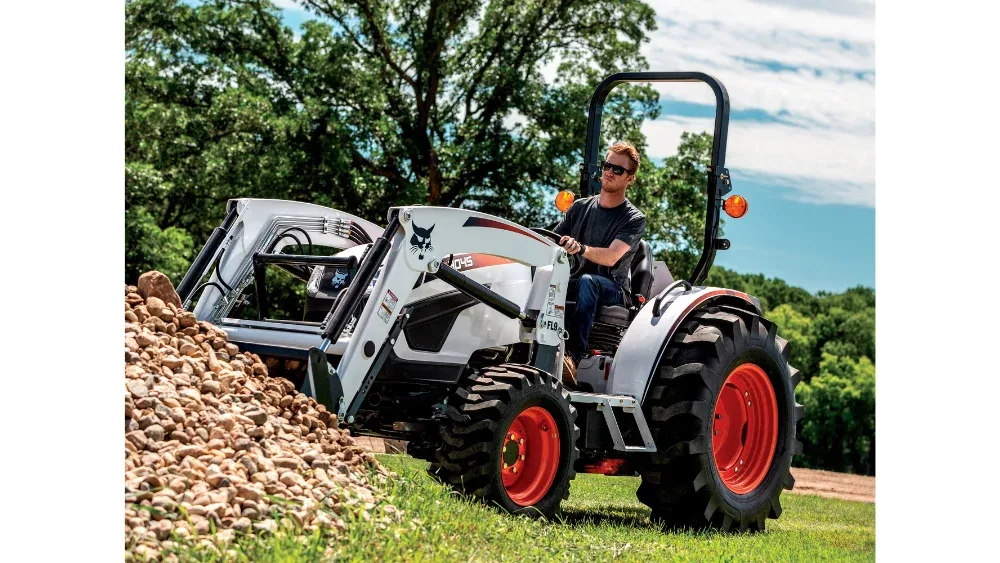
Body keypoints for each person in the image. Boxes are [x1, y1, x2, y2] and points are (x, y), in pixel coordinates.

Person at [554, 141, 647, 387]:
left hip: (613, 289)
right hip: (577, 282)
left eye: (618, 170)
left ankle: (571, 358)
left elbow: (612, 257)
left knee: (588, 282)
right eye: (607, 166)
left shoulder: (633, 219)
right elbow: (550, 241)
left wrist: (581, 248)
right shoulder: (579, 208)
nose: (610, 172)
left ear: (630, 178)